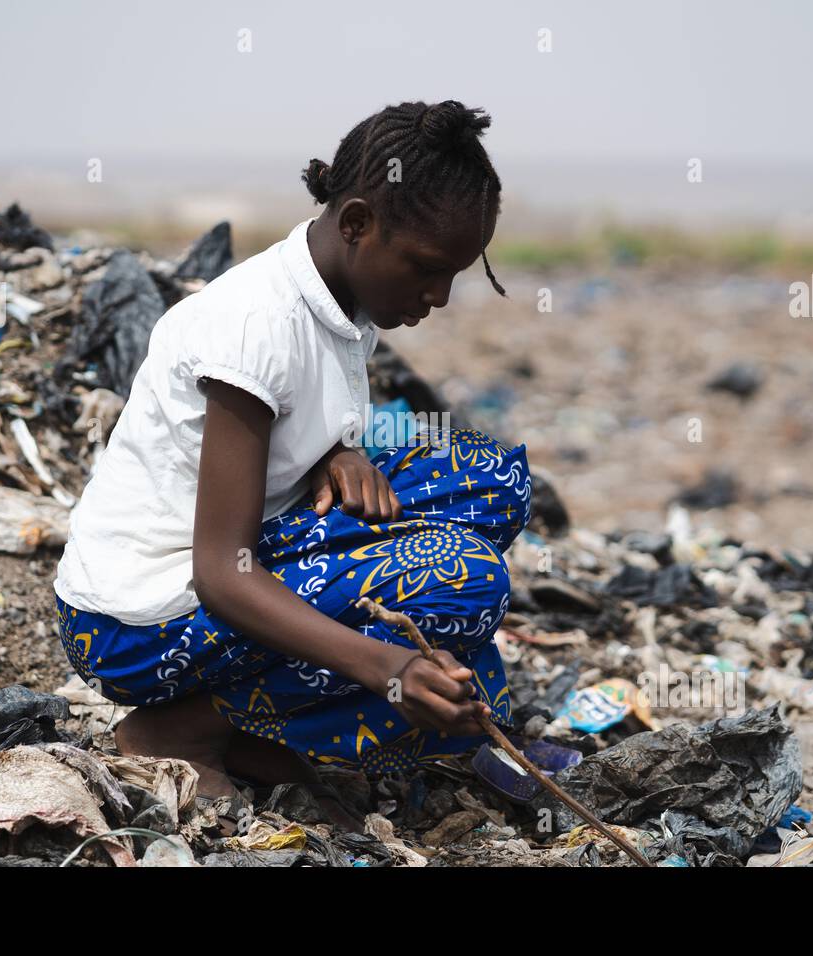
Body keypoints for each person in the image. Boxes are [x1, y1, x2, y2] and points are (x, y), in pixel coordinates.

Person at [53, 99, 531, 832]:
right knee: (464, 582)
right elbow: (223, 572)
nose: (438, 297)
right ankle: (181, 731)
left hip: (233, 557)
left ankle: (264, 727)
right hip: (134, 619)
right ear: (358, 223)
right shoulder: (255, 327)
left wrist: (335, 455)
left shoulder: (342, 306)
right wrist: (387, 668)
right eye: (429, 270)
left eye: (455, 275)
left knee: (492, 483)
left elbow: (287, 419)